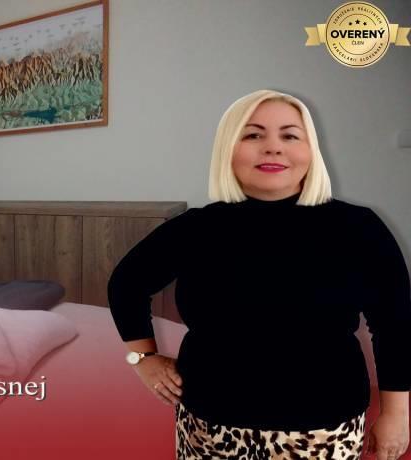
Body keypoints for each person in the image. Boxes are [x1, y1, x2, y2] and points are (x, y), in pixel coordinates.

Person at [107, 89, 410, 460]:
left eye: (290, 135)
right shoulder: (195, 228)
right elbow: (126, 285)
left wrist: (397, 414)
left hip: (324, 429)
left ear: (311, 149)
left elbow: (395, 325)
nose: (273, 148)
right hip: (209, 426)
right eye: (253, 135)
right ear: (228, 149)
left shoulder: (359, 228)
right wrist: (143, 360)